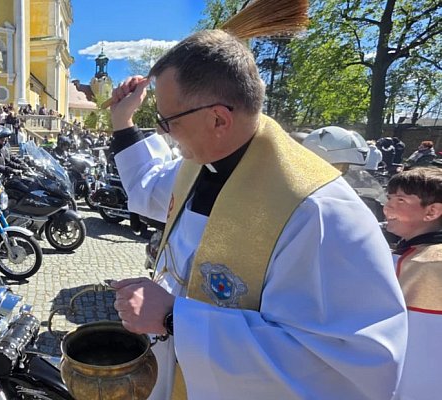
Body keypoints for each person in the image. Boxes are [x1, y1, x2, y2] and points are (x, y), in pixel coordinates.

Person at [107, 29, 406, 399]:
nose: (164, 132)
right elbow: (147, 187)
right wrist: (123, 123)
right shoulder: (202, 163)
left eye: (169, 121)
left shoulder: (317, 212)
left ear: (219, 120)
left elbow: (349, 366)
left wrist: (175, 319)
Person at [383, 168, 442, 400]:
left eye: (401, 200)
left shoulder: (425, 264)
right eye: (388, 198)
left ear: (432, 212)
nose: (387, 207)